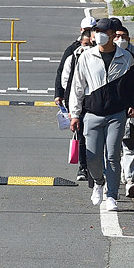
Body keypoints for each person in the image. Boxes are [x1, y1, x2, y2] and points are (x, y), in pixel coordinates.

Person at [69, 18, 134, 212]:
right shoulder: (86, 57)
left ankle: (112, 195)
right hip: (92, 114)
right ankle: (98, 182)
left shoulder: (127, 58)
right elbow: (77, 87)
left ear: (114, 35)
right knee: (93, 157)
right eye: (97, 31)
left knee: (113, 155)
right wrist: (75, 114)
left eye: (104, 31)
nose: (99, 35)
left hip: (117, 115)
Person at [55, 29, 93, 182]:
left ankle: (97, 167)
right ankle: (83, 166)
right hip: (78, 103)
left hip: (95, 103)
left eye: (91, 44)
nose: (88, 48)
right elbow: (65, 80)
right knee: (81, 136)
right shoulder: (73, 57)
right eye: (85, 44)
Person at [113, 21, 134, 199]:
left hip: (130, 111)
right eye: (117, 36)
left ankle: (130, 180)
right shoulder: (103, 54)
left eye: (124, 37)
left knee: (130, 146)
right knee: (113, 148)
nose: (120, 40)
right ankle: (111, 182)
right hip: (111, 110)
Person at [56, 17, 97, 94]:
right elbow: (62, 71)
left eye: (90, 30)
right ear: (81, 30)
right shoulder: (73, 49)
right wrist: (59, 94)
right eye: (86, 29)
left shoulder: (101, 48)